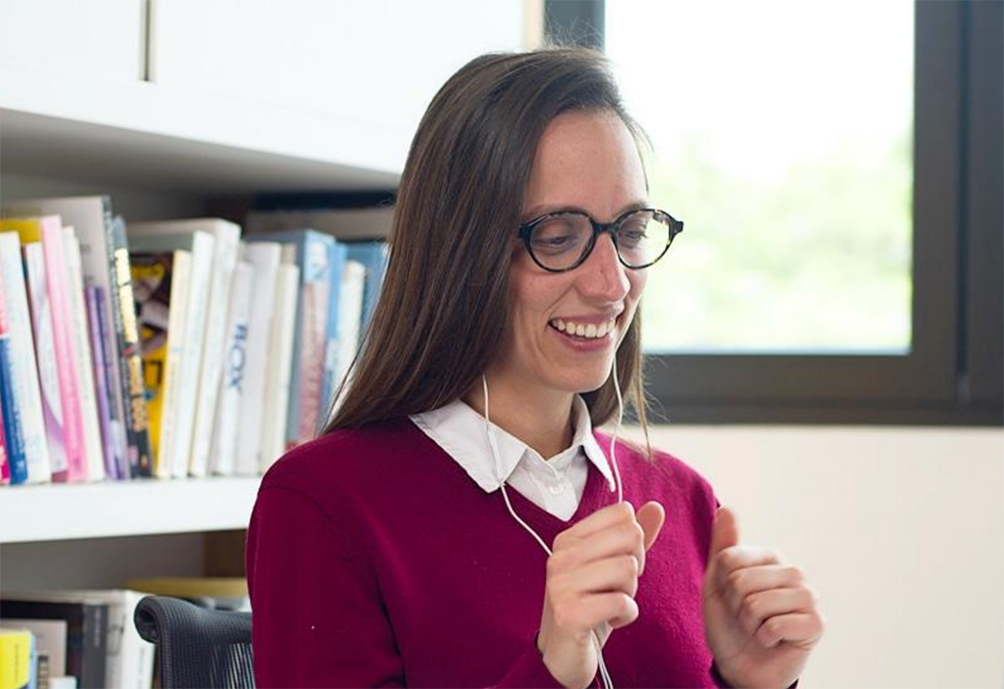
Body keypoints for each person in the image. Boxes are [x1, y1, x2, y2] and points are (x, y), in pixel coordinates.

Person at [246, 47, 824, 689]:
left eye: (631, 232)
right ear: (461, 251)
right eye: (557, 236)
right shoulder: (324, 503)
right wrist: (551, 667)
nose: (612, 284)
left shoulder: (681, 499)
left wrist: (753, 683)